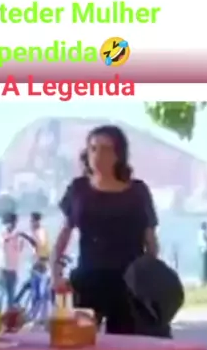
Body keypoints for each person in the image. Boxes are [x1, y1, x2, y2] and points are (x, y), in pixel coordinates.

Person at [51, 125, 159, 335]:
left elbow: (151, 243)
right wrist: (55, 274)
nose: (98, 155)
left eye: (106, 149)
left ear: (119, 154)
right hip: (87, 281)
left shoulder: (138, 191)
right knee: (79, 343)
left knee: (124, 347)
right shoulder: (79, 189)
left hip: (129, 284)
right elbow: (63, 235)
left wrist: (149, 280)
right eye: (93, 148)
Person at [16, 212, 51, 309]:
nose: (31, 223)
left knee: (36, 289)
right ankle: (20, 302)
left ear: (37, 221)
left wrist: (25, 236)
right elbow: (23, 248)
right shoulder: (33, 232)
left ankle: (35, 308)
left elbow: (37, 244)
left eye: (33, 221)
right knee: (32, 286)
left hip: (41, 263)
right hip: (34, 263)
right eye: (30, 221)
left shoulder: (41, 232)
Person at [0, 212, 25, 310]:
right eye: (12, 223)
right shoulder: (0, 233)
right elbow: (4, 242)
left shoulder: (17, 236)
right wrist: (13, 236)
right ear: (6, 223)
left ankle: (9, 317)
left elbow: (19, 250)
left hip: (13, 269)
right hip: (3, 269)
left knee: (11, 297)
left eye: (15, 223)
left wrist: (21, 241)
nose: (14, 225)